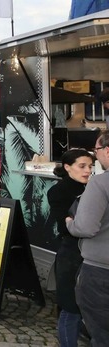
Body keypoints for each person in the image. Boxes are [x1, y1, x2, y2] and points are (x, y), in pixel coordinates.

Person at [66, 130, 109, 346]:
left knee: (102, 336)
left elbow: (85, 227)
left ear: (108, 151)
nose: (95, 155)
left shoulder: (100, 183)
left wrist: (69, 223)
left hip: (101, 272)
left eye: (97, 149)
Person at [47, 149, 94, 347]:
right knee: (70, 308)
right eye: (82, 166)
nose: (88, 171)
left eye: (90, 166)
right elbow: (67, 225)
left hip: (93, 253)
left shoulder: (96, 187)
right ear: (67, 167)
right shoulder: (58, 191)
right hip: (72, 253)